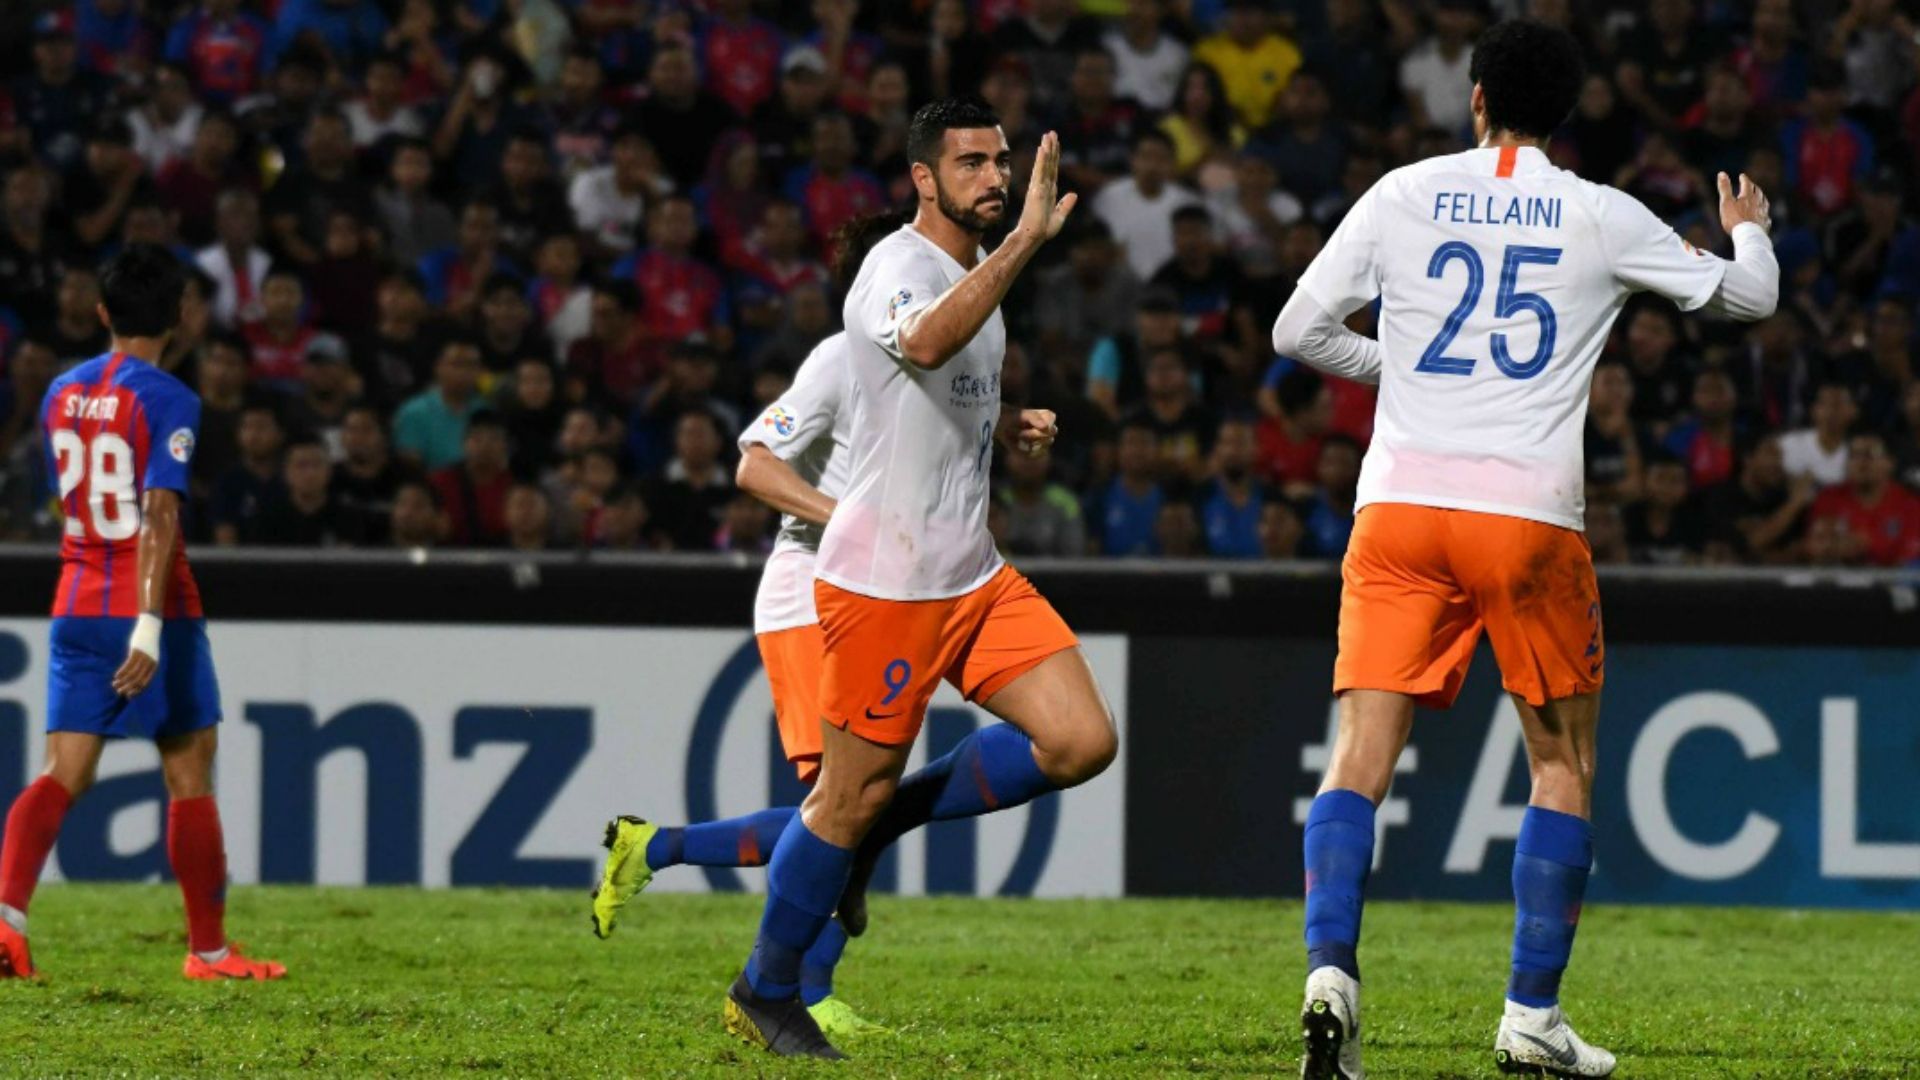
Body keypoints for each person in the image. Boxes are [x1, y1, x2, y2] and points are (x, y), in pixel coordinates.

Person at [1268, 20, 1778, 1078]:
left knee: (1359, 757)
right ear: (1567, 111)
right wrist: (1750, 230)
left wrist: (1405, 371)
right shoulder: (1600, 214)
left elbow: (1297, 333)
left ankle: (1330, 978)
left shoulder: (1403, 193)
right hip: (1527, 519)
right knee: (1563, 762)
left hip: (1399, 507)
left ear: (1477, 97)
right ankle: (1530, 1017)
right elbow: (1750, 300)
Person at [712, 100, 1117, 1060]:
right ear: (923, 179)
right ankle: (765, 991)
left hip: (971, 575)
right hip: (885, 589)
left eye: (1002, 159)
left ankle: (877, 823)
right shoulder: (895, 268)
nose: (996, 176)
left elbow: (931, 388)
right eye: (971, 162)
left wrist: (1006, 420)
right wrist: (1022, 242)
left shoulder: (970, 274)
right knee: (840, 804)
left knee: (1079, 740)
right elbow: (924, 343)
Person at [0, 243, 284, 981]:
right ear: (183, 316)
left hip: (74, 597)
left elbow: (73, 499)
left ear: (101, 312)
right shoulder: (169, 399)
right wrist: (150, 627)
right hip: (151, 603)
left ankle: (6, 923)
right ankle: (210, 952)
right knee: (189, 770)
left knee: (62, 771)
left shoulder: (59, 391)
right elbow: (157, 515)